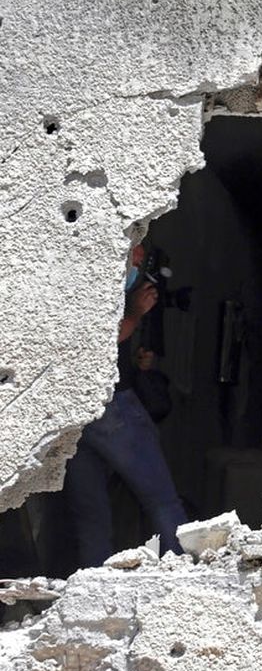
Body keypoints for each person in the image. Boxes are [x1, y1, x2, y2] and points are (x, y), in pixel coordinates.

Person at [61, 242, 188, 567]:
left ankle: (92, 595)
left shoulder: (72, 277)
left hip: (71, 413)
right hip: (110, 407)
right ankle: (186, 579)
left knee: (91, 519)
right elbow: (97, 341)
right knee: (163, 501)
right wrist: (135, 311)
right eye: (135, 247)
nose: (138, 256)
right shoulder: (102, 284)